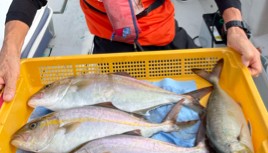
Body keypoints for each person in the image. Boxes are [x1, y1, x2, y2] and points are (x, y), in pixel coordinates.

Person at [0, 0, 262, 105]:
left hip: (167, 38)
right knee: (112, 108)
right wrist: (10, 51)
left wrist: (235, 27)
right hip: (110, 46)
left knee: (213, 97)